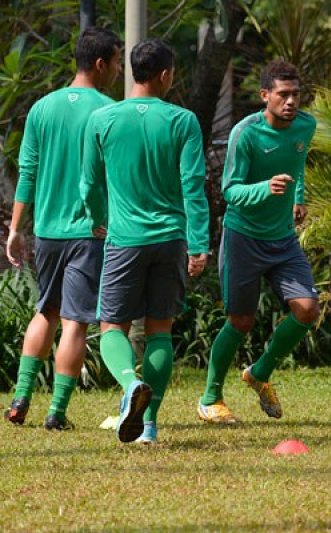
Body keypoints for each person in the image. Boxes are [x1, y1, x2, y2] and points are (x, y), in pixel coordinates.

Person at [81, 38, 210, 444]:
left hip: (124, 238)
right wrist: (199, 242)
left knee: (112, 328)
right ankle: (148, 426)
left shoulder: (103, 119)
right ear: (166, 74)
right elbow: (194, 186)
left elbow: (89, 184)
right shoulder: (183, 121)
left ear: (134, 71)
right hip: (170, 239)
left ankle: (127, 383)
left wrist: (97, 219)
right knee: (159, 331)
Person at [4, 27, 122, 430]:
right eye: (117, 62)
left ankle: (20, 397)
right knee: (75, 321)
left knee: (45, 312)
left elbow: (28, 174)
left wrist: (16, 229)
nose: (119, 70)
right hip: (89, 233)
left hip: (47, 232)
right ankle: (56, 412)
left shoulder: (41, 108)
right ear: (101, 64)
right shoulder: (108, 111)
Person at [197, 61, 319, 424]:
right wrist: (265, 189)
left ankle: (260, 372)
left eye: (296, 94)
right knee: (241, 321)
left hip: (282, 239)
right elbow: (229, 191)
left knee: (307, 309)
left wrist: (300, 194)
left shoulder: (305, 126)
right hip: (243, 238)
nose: (291, 101)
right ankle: (210, 398)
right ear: (265, 95)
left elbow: (298, 164)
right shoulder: (245, 133)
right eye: (283, 94)